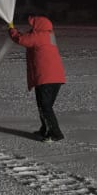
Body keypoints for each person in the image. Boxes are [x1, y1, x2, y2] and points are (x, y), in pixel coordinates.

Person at [8, 14, 67, 142]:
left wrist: (12, 30)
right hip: (55, 78)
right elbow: (29, 38)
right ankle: (45, 129)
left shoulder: (39, 36)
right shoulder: (49, 35)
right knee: (45, 106)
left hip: (46, 78)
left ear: (39, 26)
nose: (31, 28)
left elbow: (22, 39)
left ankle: (55, 133)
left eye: (33, 25)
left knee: (45, 106)